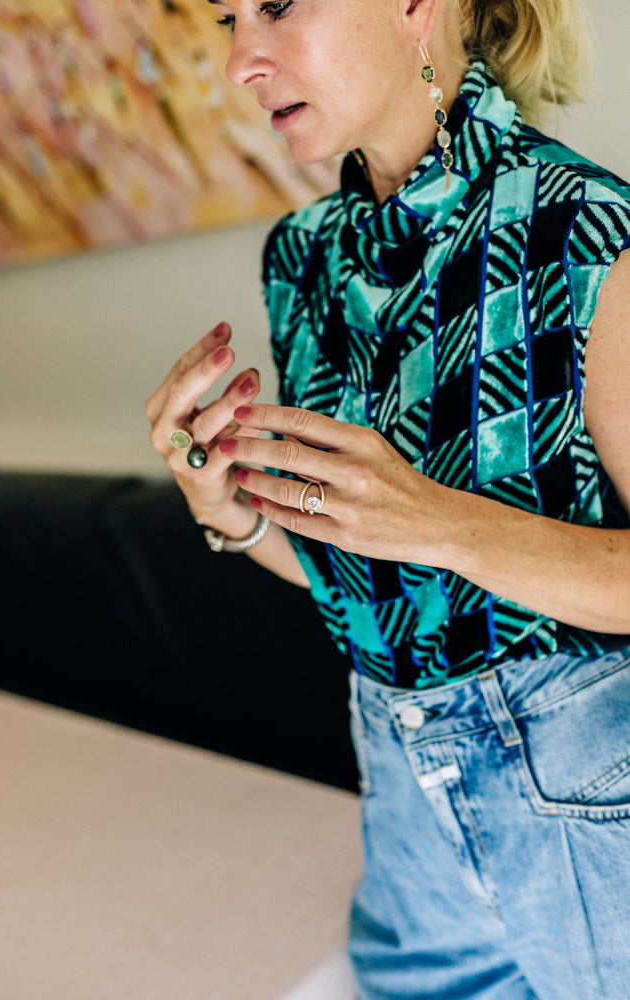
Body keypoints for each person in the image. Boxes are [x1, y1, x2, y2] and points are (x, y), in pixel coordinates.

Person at [146, 0, 630, 996]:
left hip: (593, 817)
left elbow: (418, 530)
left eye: (276, 6)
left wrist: (440, 519)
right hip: (406, 819)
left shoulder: (582, 229)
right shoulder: (301, 260)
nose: (240, 60)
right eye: (229, 18)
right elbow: (359, 574)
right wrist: (225, 506)